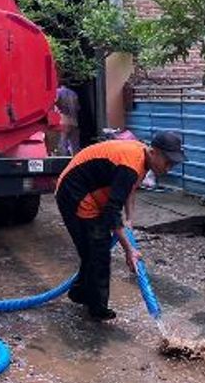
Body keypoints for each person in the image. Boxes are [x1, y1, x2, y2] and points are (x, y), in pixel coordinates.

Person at [55, 130, 186, 320]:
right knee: (97, 249)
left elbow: (129, 190)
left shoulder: (141, 158)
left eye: (173, 164)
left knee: (93, 249)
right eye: (168, 162)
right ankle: (97, 309)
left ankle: (80, 293)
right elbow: (111, 212)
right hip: (74, 192)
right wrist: (128, 249)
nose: (169, 168)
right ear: (154, 152)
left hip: (86, 190)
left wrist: (129, 219)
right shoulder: (130, 165)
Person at [55, 85, 80, 156]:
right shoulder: (74, 93)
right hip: (74, 121)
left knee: (62, 144)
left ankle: (63, 162)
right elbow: (77, 107)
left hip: (63, 120)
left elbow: (54, 103)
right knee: (74, 144)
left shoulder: (58, 92)